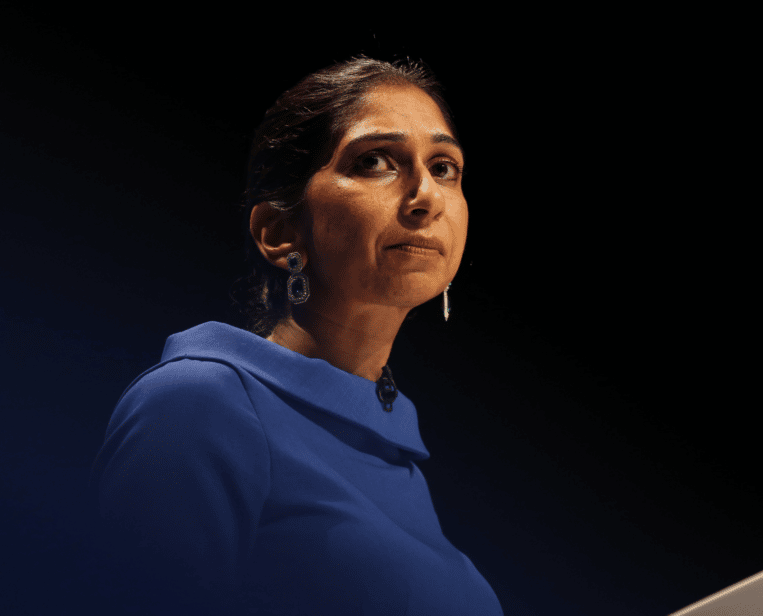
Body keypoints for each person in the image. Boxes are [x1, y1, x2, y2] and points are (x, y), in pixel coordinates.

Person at [89, 55, 503, 615]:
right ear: (278, 231)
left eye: (445, 167)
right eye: (376, 161)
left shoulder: (395, 451)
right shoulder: (198, 404)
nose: (426, 196)